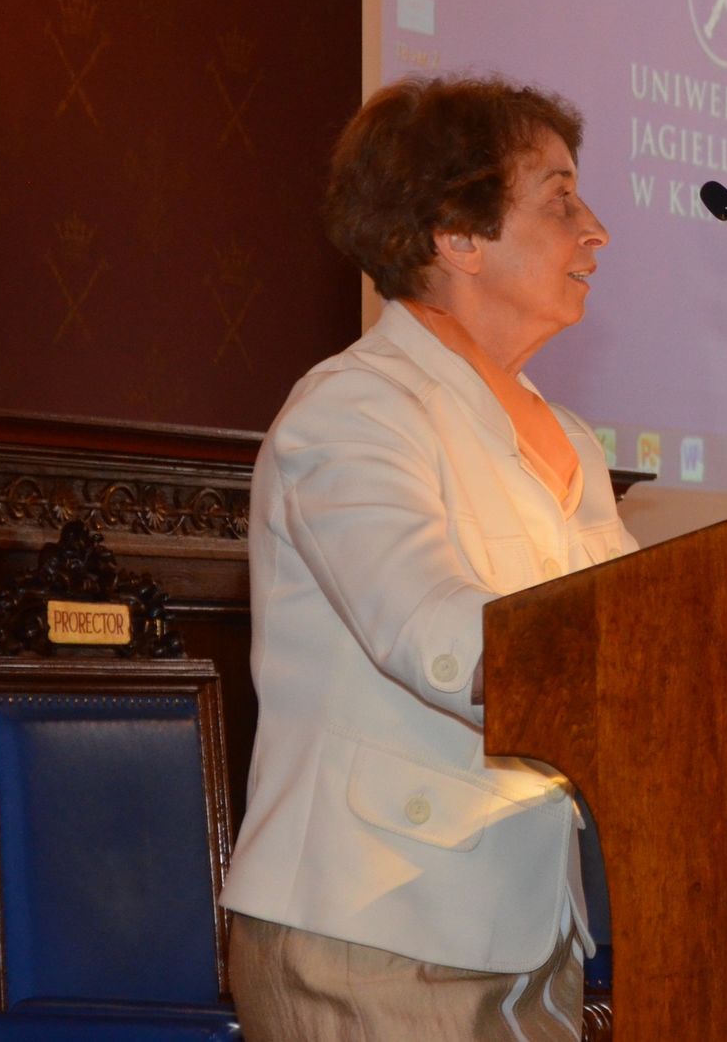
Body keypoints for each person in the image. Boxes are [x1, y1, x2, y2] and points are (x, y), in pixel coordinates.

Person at [222, 75, 634, 1041]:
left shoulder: (571, 439)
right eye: (560, 201)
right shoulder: (355, 409)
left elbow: (639, 619)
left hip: (530, 930)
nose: (596, 232)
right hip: (375, 931)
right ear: (457, 234)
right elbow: (435, 630)